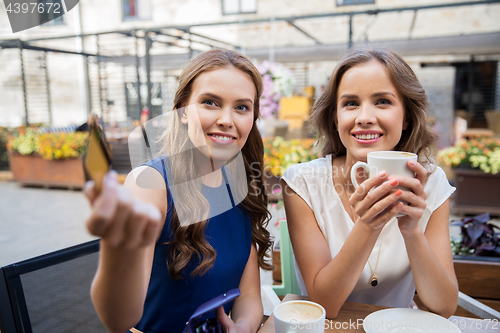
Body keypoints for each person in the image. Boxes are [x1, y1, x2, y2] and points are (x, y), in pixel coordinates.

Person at [84, 49, 272, 333]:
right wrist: (115, 246)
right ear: (182, 110)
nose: (227, 119)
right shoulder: (151, 183)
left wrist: (241, 328)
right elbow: (118, 320)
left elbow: (248, 299)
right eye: (210, 102)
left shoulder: (240, 183)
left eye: (242, 107)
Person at [280, 47, 458, 318]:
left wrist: (412, 231)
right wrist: (368, 224)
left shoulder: (431, 184)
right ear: (335, 117)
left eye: (382, 101)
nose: (364, 117)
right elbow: (324, 305)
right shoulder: (302, 183)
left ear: (407, 116)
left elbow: (443, 306)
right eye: (350, 103)